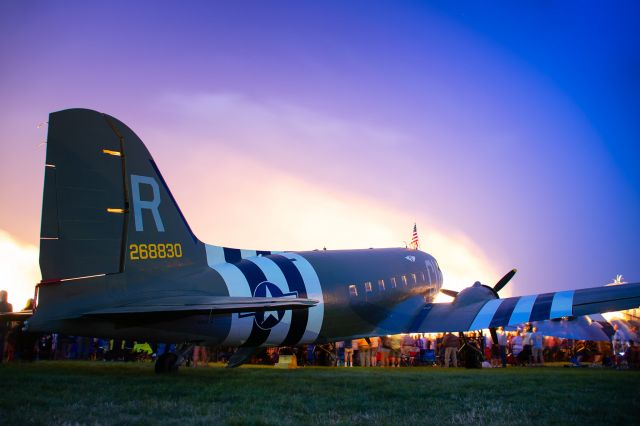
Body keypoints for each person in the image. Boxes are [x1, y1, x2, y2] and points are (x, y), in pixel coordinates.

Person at [0, 291, 13, 363]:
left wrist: (10, 326)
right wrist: (10, 327)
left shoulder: (9, 305)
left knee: (2, 342)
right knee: (2, 342)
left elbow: (11, 317)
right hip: (4, 326)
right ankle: (1, 359)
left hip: (4, 326)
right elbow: (11, 318)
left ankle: (1, 359)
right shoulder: (9, 305)